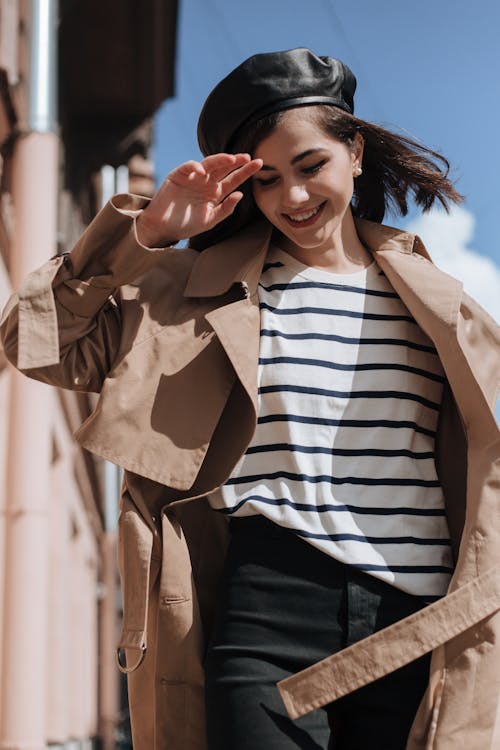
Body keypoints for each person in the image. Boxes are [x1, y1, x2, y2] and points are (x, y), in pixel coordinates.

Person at [1, 48, 499, 750]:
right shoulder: (195, 293)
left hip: (417, 622)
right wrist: (144, 236)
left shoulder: (437, 301)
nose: (293, 197)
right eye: (266, 180)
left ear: (354, 152)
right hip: (269, 612)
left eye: (311, 166)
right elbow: (34, 341)